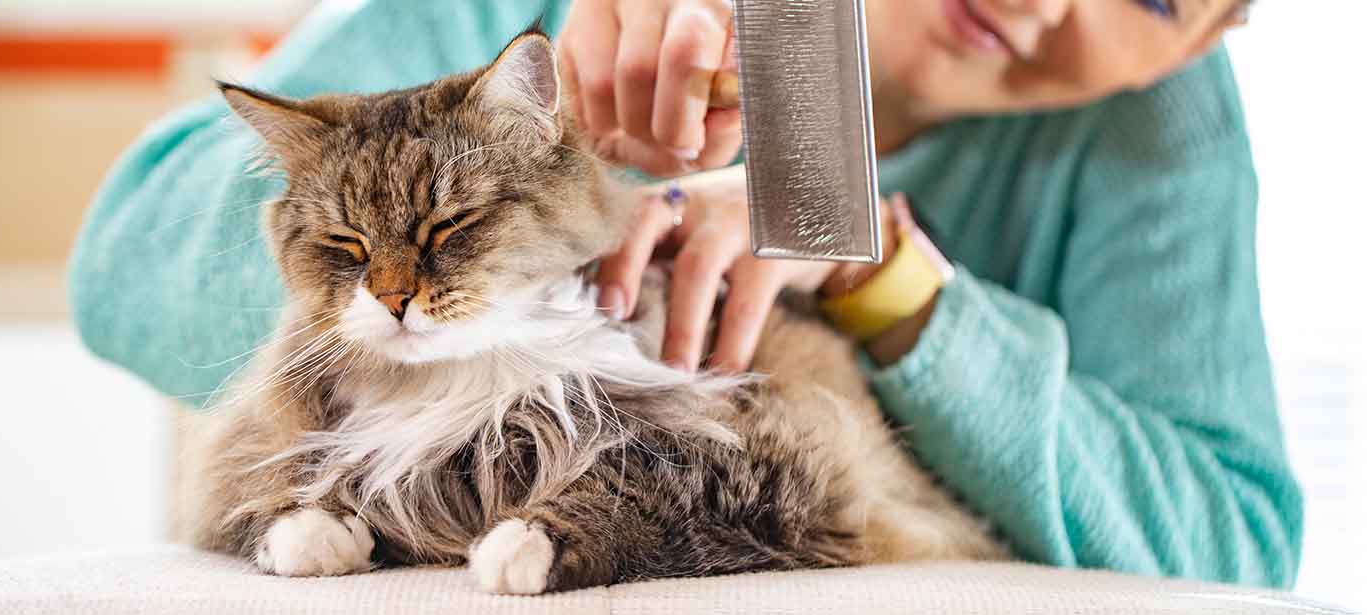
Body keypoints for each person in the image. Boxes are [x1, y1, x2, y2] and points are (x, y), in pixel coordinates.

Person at [69, 0, 1301, 588]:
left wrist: (885, 275)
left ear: (1204, 39)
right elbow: (126, 268)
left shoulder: (1154, 130)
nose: (1040, 3)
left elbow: (1229, 550)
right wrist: (555, 197)